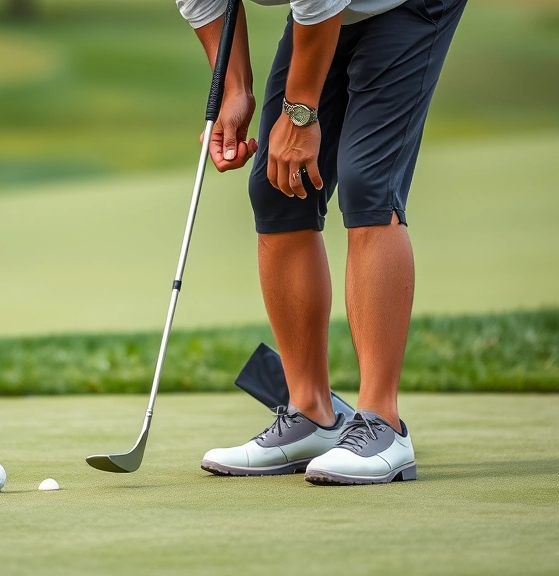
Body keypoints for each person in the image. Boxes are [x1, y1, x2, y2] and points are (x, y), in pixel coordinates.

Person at [175, 0, 466, 485]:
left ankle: (383, 425)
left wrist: (302, 113)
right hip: (329, 10)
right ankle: (312, 413)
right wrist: (234, 90)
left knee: (367, 182)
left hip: (407, 4)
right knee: (276, 188)